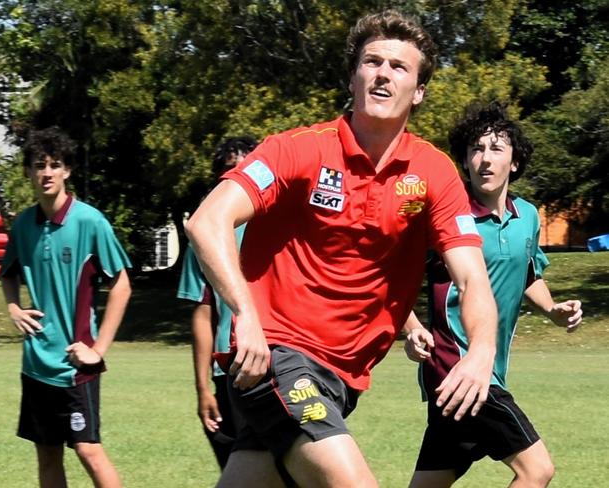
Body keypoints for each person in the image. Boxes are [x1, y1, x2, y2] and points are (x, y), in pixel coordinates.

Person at [185, 10, 499, 487]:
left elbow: (472, 276)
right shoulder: (297, 149)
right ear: (353, 77)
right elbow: (208, 221)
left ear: (418, 92)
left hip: (344, 376)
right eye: (372, 62)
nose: (382, 74)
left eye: (399, 67)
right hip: (276, 356)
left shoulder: (434, 173)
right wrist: (244, 313)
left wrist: (481, 351)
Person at [404, 101, 583, 488]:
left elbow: (528, 272)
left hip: (488, 370)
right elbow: (391, 278)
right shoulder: (444, 217)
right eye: (475, 149)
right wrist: (410, 327)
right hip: (459, 370)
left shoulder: (529, 217)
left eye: (496, 149)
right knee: (537, 470)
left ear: (514, 162)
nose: (484, 159)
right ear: (465, 161)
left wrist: (553, 310)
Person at [0, 127, 132, 488]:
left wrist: (98, 349)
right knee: (47, 454)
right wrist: (13, 308)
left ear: (67, 171)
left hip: (74, 367)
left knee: (88, 449)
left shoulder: (90, 221)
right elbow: (7, 273)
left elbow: (120, 285)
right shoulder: (24, 224)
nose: (46, 172)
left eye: (54, 165)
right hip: (35, 364)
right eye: (38, 165)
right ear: (28, 171)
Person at [177, 136, 257, 468]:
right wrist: (202, 388)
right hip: (228, 372)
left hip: (281, 367)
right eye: (229, 170)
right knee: (238, 470)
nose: (237, 177)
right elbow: (202, 312)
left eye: (246, 169)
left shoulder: (283, 225)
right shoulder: (205, 232)